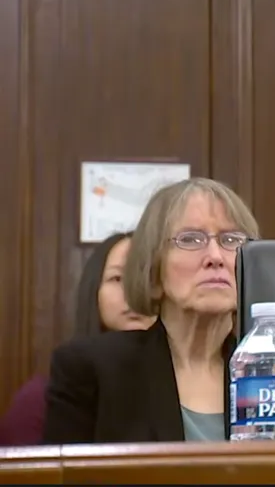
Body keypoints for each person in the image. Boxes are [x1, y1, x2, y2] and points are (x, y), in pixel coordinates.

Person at [42, 178, 259, 444]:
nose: (215, 256)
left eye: (231, 239)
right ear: (153, 272)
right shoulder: (91, 370)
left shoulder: (271, 372)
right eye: (191, 239)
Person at [0, 231, 154, 446]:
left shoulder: (190, 395)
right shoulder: (39, 399)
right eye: (117, 278)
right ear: (94, 292)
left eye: (147, 278)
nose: (133, 293)